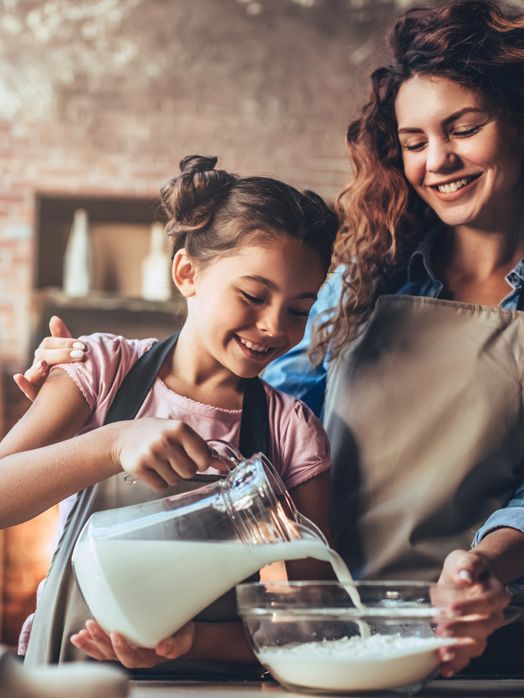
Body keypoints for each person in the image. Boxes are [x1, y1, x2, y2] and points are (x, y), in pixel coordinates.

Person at [19, 0, 524, 677]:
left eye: (465, 128)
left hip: (480, 640)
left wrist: (482, 565)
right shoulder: (362, 277)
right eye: (415, 141)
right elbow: (244, 400)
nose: (439, 160)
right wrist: (101, 382)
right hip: (342, 645)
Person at [0, 155, 340, 673]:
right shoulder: (102, 368)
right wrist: (114, 443)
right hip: (68, 668)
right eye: (252, 295)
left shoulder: (290, 431)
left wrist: (193, 641)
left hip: (209, 678)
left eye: (299, 309)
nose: (274, 326)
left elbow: (315, 620)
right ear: (187, 273)